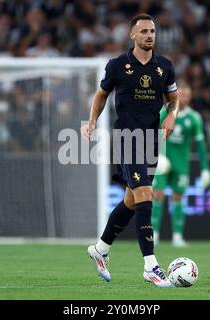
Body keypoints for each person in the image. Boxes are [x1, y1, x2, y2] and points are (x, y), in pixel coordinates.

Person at [80, 14, 179, 287]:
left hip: (150, 141)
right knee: (146, 195)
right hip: (126, 139)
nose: (150, 35)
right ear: (132, 35)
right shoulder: (117, 66)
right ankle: (150, 266)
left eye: (153, 31)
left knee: (132, 201)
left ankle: (100, 249)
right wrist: (91, 121)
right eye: (144, 31)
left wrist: (172, 115)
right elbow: (101, 95)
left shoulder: (165, 67)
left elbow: (174, 100)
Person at [151, 84, 210, 247]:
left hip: (181, 164)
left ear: (190, 97)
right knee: (158, 194)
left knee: (178, 196)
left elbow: (200, 145)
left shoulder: (194, 118)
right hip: (162, 162)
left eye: (186, 94)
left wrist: (205, 169)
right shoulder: (164, 111)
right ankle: (154, 234)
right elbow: (153, 134)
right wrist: (159, 156)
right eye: (181, 94)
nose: (183, 97)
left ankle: (177, 236)